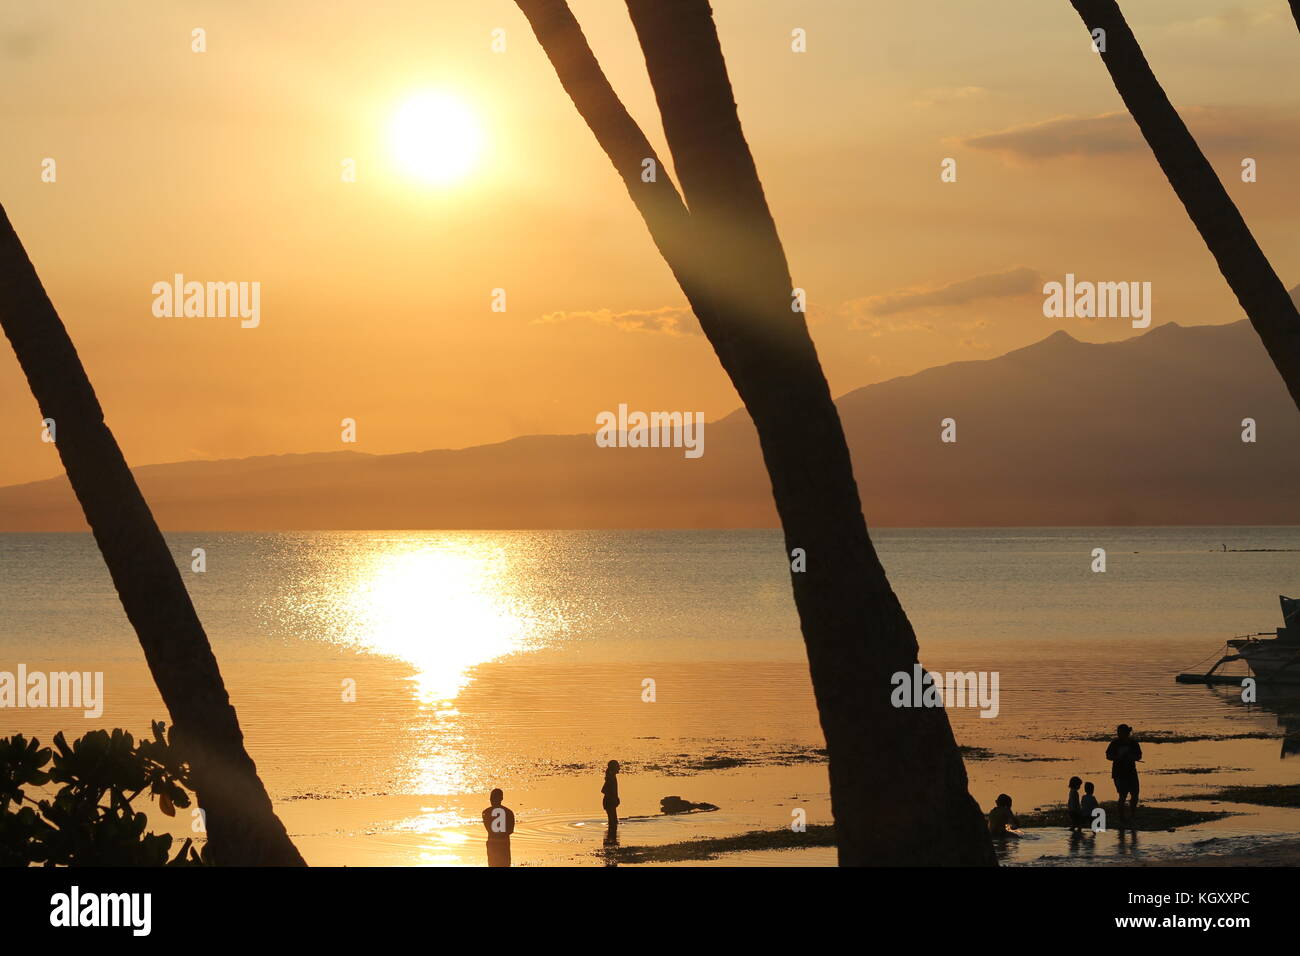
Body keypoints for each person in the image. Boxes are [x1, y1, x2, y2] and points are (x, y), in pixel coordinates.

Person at [1105, 724, 1142, 823]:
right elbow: (1108, 756)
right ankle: (1122, 817)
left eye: (1121, 732)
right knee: (1122, 795)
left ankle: (1132, 815)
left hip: (1131, 771)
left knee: (1135, 794)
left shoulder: (1133, 743)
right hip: (1119, 772)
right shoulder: (1114, 743)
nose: (1119, 734)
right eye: (1119, 732)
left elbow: (1139, 756)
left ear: (1127, 733)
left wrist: (1131, 757)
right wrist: (1118, 757)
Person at [481, 788, 515, 867]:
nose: (491, 800)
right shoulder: (509, 812)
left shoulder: (485, 812)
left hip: (492, 844)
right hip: (504, 844)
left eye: (492, 798)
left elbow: (488, 829)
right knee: (505, 864)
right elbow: (510, 830)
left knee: (493, 864)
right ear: (502, 798)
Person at [602, 760, 621, 836]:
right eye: (618, 767)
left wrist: (616, 798)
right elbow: (604, 790)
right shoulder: (610, 778)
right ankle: (611, 839)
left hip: (610, 802)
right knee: (613, 822)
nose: (619, 768)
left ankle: (612, 838)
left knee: (614, 822)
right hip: (609, 803)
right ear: (614, 768)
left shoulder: (612, 777)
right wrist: (613, 798)